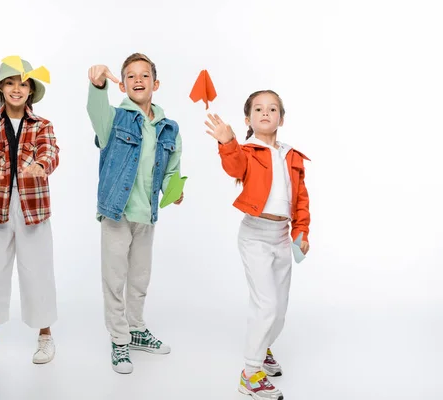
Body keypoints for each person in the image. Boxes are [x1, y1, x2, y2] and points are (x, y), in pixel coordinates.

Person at [205, 90, 310, 399]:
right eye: (259, 109)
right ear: (248, 119)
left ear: (282, 118)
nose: (266, 113)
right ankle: (251, 374)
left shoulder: (291, 155)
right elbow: (235, 167)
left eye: (273, 108)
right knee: (266, 304)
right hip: (255, 235)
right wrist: (227, 142)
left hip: (281, 236)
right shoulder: (247, 151)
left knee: (279, 309)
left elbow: (300, 199)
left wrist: (301, 232)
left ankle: (263, 349)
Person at [87, 53, 184, 374]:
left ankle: (136, 328)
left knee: (139, 278)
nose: (138, 80)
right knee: (115, 280)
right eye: (130, 76)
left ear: (155, 84)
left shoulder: (169, 127)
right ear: (123, 84)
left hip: (147, 214)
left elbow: (172, 168)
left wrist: (175, 189)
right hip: (116, 212)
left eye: (144, 75)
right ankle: (119, 339)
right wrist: (97, 85)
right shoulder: (114, 118)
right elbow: (96, 114)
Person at [0, 56, 59, 367]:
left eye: (23, 83)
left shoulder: (42, 126)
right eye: (10, 82)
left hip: (33, 207)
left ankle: (45, 334)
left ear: (31, 90)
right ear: (1, 88)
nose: (16, 89)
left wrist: (41, 165)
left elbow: (51, 151)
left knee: (38, 270)